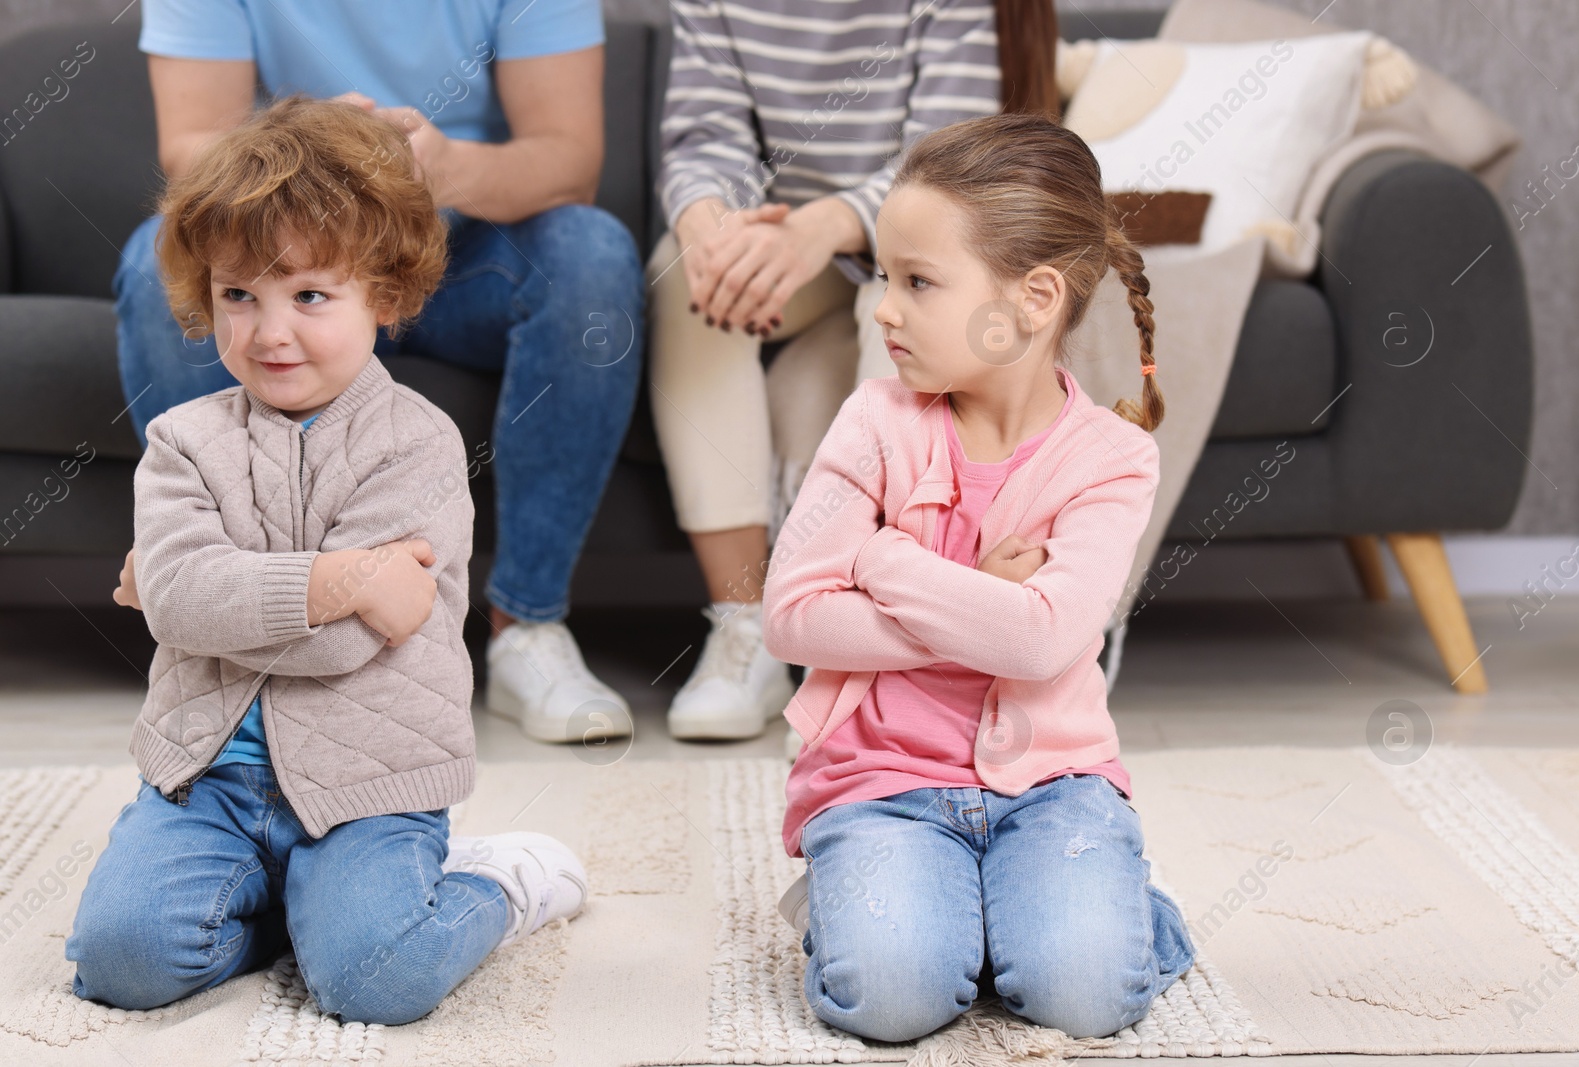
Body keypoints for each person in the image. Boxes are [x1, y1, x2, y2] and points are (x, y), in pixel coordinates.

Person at [69, 98, 587, 1024]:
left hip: (369, 783)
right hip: (209, 779)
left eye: (310, 295)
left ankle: (499, 885)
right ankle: (287, 915)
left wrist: (189, 592)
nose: (270, 334)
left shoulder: (417, 446)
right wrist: (333, 581)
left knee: (377, 980)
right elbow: (234, 605)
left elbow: (342, 647)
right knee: (121, 962)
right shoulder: (183, 442)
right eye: (240, 295)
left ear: (383, 298)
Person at [762, 111, 1195, 1042]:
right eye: (886, 275)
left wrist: (885, 560)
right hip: (881, 782)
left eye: (918, 281)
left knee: (1084, 995)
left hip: (1055, 785)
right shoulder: (873, 421)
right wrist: (977, 589)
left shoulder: (1113, 458)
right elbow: (793, 614)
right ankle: (897, 906)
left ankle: (1113, 907)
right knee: (892, 998)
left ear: (1032, 300)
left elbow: (1041, 641)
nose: (885, 307)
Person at [114, 0, 643, 746]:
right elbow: (190, 152)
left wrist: (440, 168)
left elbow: (569, 159)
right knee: (150, 263)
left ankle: (529, 624)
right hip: (285, 248)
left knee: (592, 259)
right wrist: (310, 157)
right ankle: (233, 606)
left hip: (468, 256)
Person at [647, 0, 1059, 739]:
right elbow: (704, 139)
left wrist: (829, 225)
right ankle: (745, 627)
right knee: (681, 277)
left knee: (925, 297)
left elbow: (949, 162)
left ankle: (906, 628)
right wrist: (710, 226)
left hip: (919, 227)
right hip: (778, 241)